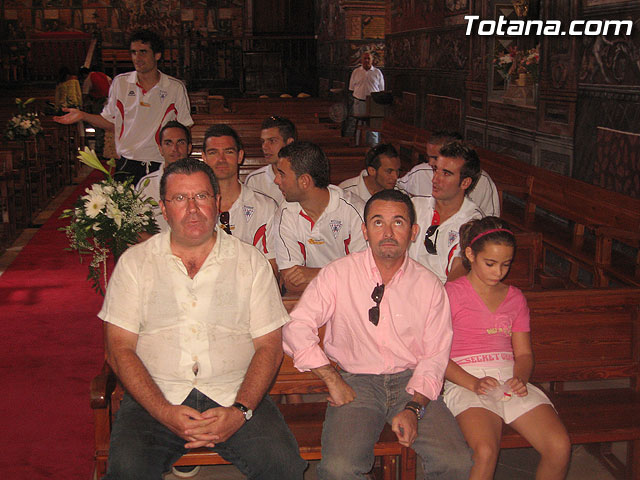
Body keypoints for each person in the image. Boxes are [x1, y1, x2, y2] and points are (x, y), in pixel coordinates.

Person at [98, 158, 306, 480]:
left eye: (202, 197)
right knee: (127, 470)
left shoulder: (250, 262)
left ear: (217, 202)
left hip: (234, 393)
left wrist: (240, 412)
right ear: (164, 209)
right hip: (155, 395)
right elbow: (119, 349)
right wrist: (163, 412)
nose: (193, 209)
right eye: (180, 199)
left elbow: (269, 347)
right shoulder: (135, 264)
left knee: (283, 466)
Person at [283, 189, 473, 480]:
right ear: (364, 230)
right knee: (339, 470)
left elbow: (435, 355)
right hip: (356, 383)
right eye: (377, 222)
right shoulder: (338, 274)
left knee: (456, 462)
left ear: (413, 231)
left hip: (413, 382)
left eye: (398, 223)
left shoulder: (429, 286)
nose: (387, 232)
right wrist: (331, 379)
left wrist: (413, 408)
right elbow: (296, 327)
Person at [443, 216, 571, 479]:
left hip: (508, 377)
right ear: (470, 254)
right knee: (486, 450)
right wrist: (473, 383)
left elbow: (523, 354)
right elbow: (436, 355)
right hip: (465, 378)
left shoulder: (514, 298)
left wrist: (520, 378)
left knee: (559, 446)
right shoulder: (450, 295)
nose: (498, 272)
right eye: (490, 263)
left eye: (505, 264)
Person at [54, 29, 193, 184]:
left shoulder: (174, 87)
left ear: (157, 55)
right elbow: (111, 123)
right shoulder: (121, 83)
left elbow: (184, 128)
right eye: (133, 52)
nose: (137, 58)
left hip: (162, 163)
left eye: (143, 52)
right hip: (128, 163)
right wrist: (83, 115)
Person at [273, 141, 367, 293]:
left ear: (304, 181)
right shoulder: (285, 213)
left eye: (282, 174)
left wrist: (316, 273)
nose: (276, 180)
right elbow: (291, 283)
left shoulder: (355, 210)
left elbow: (365, 275)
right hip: (311, 302)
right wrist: (342, 277)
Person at [201, 124, 279, 273]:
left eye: (228, 152)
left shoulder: (265, 206)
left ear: (240, 156)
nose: (221, 159)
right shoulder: (193, 207)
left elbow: (272, 269)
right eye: (213, 153)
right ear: (204, 157)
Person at [409, 141, 484, 284]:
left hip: (441, 295)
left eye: (446, 173)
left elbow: (459, 273)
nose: (435, 179)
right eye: (435, 170)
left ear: (465, 183)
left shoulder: (473, 223)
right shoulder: (414, 206)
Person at [397, 131, 501, 216]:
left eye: (435, 158)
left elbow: (491, 220)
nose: (430, 163)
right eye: (436, 170)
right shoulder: (419, 204)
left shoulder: (472, 217)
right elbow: (397, 187)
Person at [136, 120, 193, 234]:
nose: (174, 149)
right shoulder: (146, 185)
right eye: (168, 143)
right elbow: (137, 227)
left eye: (180, 143)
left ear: (189, 148)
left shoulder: (201, 182)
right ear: (160, 149)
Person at [244, 115, 297, 205]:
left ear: (289, 143)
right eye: (263, 141)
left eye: (272, 141)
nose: (264, 147)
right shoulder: (254, 180)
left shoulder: (302, 176)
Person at [349, 51, 385, 145]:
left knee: (373, 126)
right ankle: (358, 144)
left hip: (374, 103)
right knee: (359, 124)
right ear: (361, 60)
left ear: (372, 60)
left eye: (368, 58)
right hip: (359, 101)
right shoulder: (356, 72)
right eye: (365, 58)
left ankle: (374, 146)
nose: (366, 60)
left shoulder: (377, 72)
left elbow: (381, 89)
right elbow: (352, 88)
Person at [79, 66, 112, 157]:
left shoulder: (89, 78)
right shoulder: (103, 75)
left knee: (99, 124)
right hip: (109, 100)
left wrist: (82, 105)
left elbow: (85, 94)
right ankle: (108, 146)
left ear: (84, 74)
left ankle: (99, 147)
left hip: (99, 102)